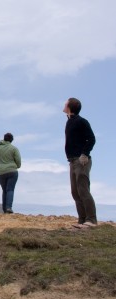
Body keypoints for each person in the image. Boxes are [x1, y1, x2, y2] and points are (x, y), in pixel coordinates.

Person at [63, 97, 97, 228]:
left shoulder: (81, 121)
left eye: (66, 103)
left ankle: (91, 220)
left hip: (81, 160)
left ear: (70, 106)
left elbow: (91, 139)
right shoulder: (69, 122)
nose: (64, 104)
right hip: (72, 161)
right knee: (75, 192)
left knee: (83, 190)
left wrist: (85, 154)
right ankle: (82, 220)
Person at [0, 133, 21, 213]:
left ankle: (4, 209)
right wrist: (16, 166)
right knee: (10, 189)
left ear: (4, 139)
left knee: (4, 190)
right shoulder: (14, 148)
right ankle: (8, 208)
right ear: (11, 140)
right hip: (12, 171)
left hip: (1, 172)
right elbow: (18, 160)